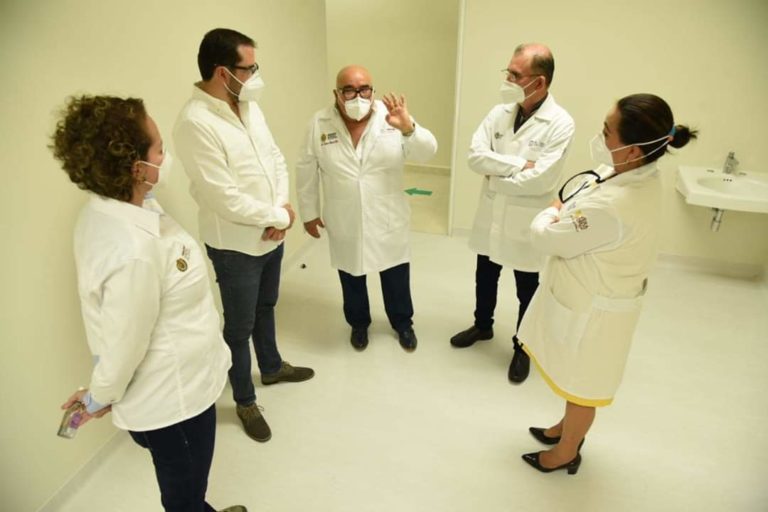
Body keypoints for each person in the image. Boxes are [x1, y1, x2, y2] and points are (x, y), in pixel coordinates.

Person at [52, 95, 246, 512]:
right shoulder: (132, 252)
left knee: (187, 489)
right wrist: (98, 397)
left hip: (177, 385)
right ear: (136, 168)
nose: (165, 155)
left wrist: (101, 393)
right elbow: (125, 344)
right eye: (159, 148)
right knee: (184, 496)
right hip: (175, 403)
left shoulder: (111, 210)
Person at [518, 93, 697, 474]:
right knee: (575, 373)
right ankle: (564, 429)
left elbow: (546, 238)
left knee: (583, 386)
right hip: (595, 296)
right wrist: (567, 211)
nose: (600, 137)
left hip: (596, 311)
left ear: (632, 150)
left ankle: (566, 452)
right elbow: (587, 198)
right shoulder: (635, 173)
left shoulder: (615, 204)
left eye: (606, 131)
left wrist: (551, 211)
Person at [174, 28, 314, 443]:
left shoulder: (249, 106)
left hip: (272, 233)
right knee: (238, 327)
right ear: (223, 72)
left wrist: (282, 209)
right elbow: (223, 197)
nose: (256, 75)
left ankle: (270, 367)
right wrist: (278, 216)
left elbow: (274, 158)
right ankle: (245, 401)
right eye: (249, 68)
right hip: (235, 246)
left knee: (267, 305)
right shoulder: (194, 123)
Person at [450, 43, 575, 384]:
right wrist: (520, 164)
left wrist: (495, 177)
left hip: (526, 219)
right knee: (485, 273)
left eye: (515, 74)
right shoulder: (499, 112)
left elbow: (543, 178)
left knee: (526, 287)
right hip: (493, 213)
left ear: (540, 82)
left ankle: (523, 346)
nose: (507, 79)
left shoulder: (560, 122)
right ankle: (483, 325)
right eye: (508, 71)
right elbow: (475, 157)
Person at [295, 65, 437, 351]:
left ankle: (402, 323)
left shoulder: (392, 116)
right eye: (349, 90)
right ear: (336, 93)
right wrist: (309, 213)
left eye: (364, 89)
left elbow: (427, 152)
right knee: (351, 274)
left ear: (373, 91)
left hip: (387, 214)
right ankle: (358, 324)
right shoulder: (319, 122)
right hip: (344, 215)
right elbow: (306, 169)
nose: (357, 96)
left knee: (395, 273)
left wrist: (408, 129)